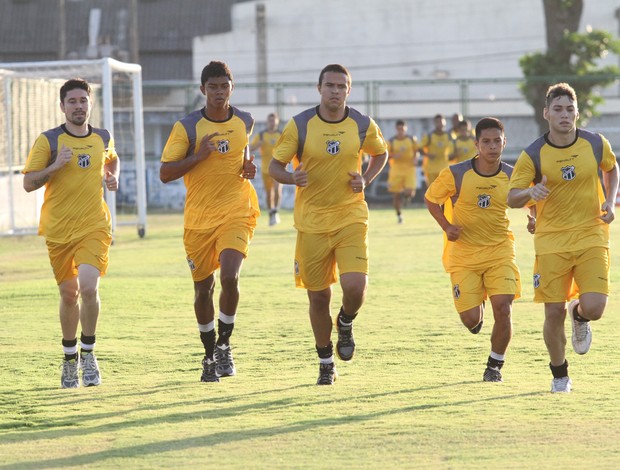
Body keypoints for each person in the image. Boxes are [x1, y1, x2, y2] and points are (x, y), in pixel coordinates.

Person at [269, 64, 388, 385]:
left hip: (351, 216)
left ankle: (346, 322)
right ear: (319, 88)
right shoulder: (300, 125)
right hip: (311, 224)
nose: (335, 91)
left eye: (341, 86)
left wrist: (365, 178)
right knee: (318, 298)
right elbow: (274, 166)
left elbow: (380, 153)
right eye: (330, 85)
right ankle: (325, 361)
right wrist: (292, 177)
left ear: (349, 90)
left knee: (355, 287)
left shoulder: (362, 124)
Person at [507, 82, 619, 393]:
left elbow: (611, 168)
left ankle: (579, 315)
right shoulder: (533, 154)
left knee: (595, 307)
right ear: (546, 113)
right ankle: (560, 375)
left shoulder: (595, 143)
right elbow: (512, 197)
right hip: (551, 242)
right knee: (552, 311)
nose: (565, 114)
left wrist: (610, 201)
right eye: (558, 109)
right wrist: (531, 191)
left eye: (570, 109)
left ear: (577, 113)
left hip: (591, 235)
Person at [160, 61, 260, 383]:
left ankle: (225, 345)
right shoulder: (187, 128)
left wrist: (248, 168)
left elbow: (243, 158)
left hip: (237, 210)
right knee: (203, 288)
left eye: (224, 86)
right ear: (203, 90)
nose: (219, 92)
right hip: (199, 220)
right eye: (213, 87)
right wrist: (197, 157)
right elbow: (165, 173)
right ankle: (207, 356)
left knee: (230, 277)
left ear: (232, 87)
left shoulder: (246, 121)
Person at [22, 78, 120, 388]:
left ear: (91, 104)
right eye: (72, 101)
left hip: (94, 226)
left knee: (89, 288)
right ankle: (69, 358)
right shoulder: (48, 141)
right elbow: (28, 183)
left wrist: (111, 176)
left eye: (83, 100)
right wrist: (54, 167)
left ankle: (88, 354)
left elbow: (112, 159)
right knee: (69, 294)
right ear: (62, 106)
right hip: (59, 230)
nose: (78, 106)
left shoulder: (103, 137)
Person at [425, 117, 520, 382]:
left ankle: (494, 365)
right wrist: (446, 226)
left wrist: (534, 217)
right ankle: (476, 307)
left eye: (497, 141)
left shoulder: (513, 174)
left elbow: (528, 198)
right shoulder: (456, 174)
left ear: (504, 143)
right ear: (476, 144)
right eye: (486, 142)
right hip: (464, 255)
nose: (492, 147)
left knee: (503, 308)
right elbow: (431, 200)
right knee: (470, 320)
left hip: (500, 250)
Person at [250, 112, 283, 226]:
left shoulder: (281, 134)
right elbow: (250, 148)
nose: (272, 122)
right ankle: (271, 213)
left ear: (277, 121)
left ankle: (276, 210)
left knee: (278, 189)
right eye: (270, 120)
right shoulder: (262, 135)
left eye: (274, 120)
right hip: (266, 169)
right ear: (267, 122)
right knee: (269, 193)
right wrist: (258, 145)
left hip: (279, 167)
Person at [386, 119, 419, 224]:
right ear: (396, 129)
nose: (401, 131)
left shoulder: (411, 139)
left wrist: (415, 159)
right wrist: (393, 156)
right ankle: (399, 215)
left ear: (405, 128)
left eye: (402, 129)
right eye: (399, 129)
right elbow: (386, 155)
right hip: (396, 169)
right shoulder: (391, 141)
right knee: (396, 195)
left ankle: (406, 198)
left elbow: (416, 152)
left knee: (409, 191)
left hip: (409, 168)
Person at [420, 114, 454, 187]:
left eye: (441, 122)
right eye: (438, 122)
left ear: (444, 123)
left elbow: (455, 146)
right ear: (434, 123)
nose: (440, 124)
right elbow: (419, 148)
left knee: (445, 189)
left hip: (444, 167)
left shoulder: (449, 135)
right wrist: (427, 154)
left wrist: (452, 155)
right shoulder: (429, 136)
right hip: (431, 169)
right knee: (432, 190)